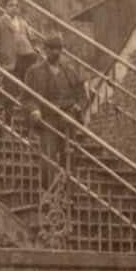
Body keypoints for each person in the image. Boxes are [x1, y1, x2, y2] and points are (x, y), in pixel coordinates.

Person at [24, 33, 87, 191]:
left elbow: (81, 95)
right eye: (52, 49)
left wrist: (79, 106)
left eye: (59, 49)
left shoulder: (70, 71)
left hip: (68, 118)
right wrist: (35, 111)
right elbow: (27, 98)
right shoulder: (34, 72)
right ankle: (49, 193)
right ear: (44, 50)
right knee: (49, 156)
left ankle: (69, 192)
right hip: (48, 119)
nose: (56, 53)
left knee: (70, 155)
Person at [0, 0, 38, 84]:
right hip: (10, 63)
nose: (14, 8)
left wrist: (34, 50)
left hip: (27, 60)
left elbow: (32, 40)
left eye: (16, 5)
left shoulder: (23, 23)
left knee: (28, 86)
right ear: (5, 7)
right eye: (11, 5)